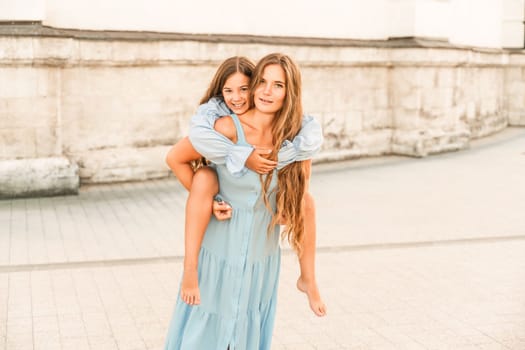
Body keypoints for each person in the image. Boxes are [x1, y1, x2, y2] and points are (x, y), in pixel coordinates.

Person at [164, 52, 323, 349]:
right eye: (262, 82)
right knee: (209, 323)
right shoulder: (226, 127)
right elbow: (176, 158)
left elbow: (302, 180)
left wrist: (288, 209)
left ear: (290, 92)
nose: (266, 91)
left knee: (307, 202)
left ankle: (308, 278)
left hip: (261, 250)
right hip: (221, 244)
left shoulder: (295, 136)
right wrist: (209, 203)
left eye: (278, 85)